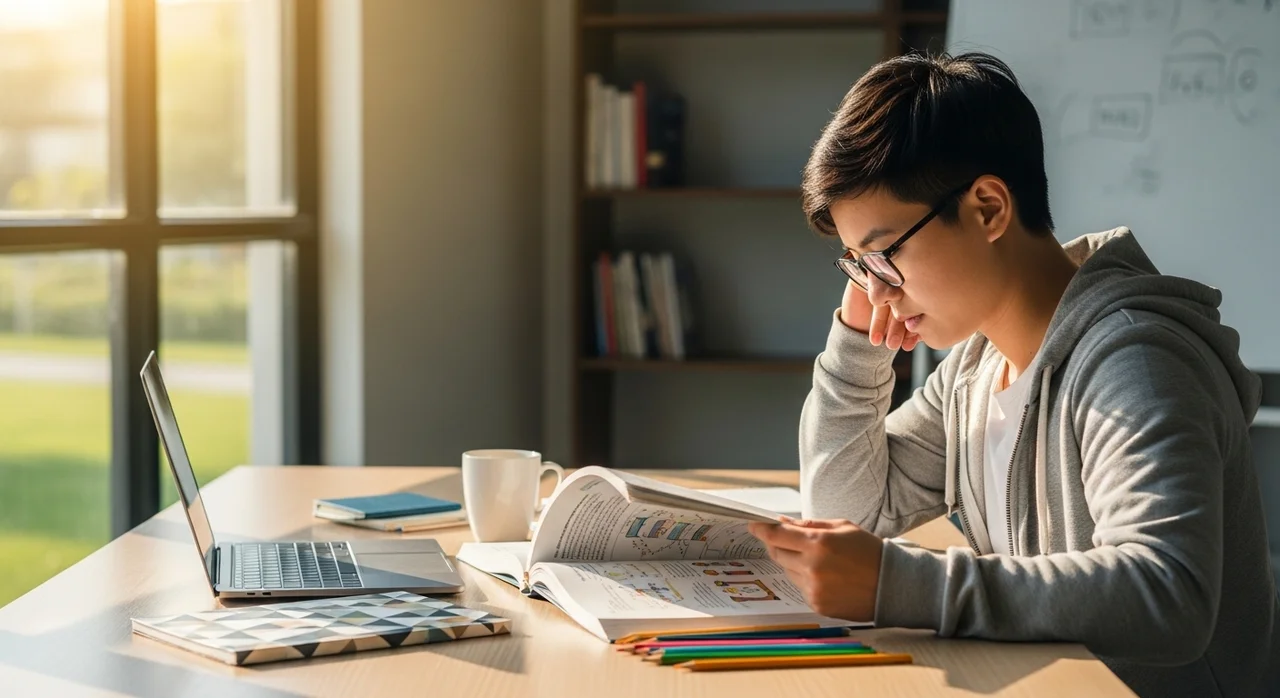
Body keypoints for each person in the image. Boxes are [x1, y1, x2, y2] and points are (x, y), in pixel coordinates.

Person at [747, 51, 1279, 696]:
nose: (877, 291)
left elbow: (1168, 593)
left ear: (989, 209)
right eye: (858, 266)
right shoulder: (975, 371)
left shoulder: (1137, 362)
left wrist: (903, 585)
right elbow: (849, 513)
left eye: (885, 254)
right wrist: (858, 345)